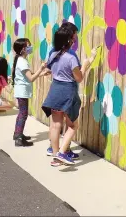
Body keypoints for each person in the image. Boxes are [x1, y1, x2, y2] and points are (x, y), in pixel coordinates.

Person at [42, 22, 98, 166]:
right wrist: (85, 65)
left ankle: (56, 156)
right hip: (68, 92)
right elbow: (79, 78)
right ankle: (61, 153)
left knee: (55, 125)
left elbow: (49, 68)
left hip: (55, 90)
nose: (75, 40)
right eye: (74, 37)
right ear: (70, 40)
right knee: (72, 126)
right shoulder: (71, 58)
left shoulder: (53, 53)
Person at [11, 38, 47, 147]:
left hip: (21, 90)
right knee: (23, 114)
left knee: (21, 113)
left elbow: (28, 76)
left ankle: (17, 134)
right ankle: (19, 139)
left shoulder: (21, 60)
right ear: (23, 49)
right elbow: (31, 78)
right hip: (22, 91)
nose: (30, 47)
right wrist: (41, 69)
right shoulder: (22, 62)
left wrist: (42, 73)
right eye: (28, 46)